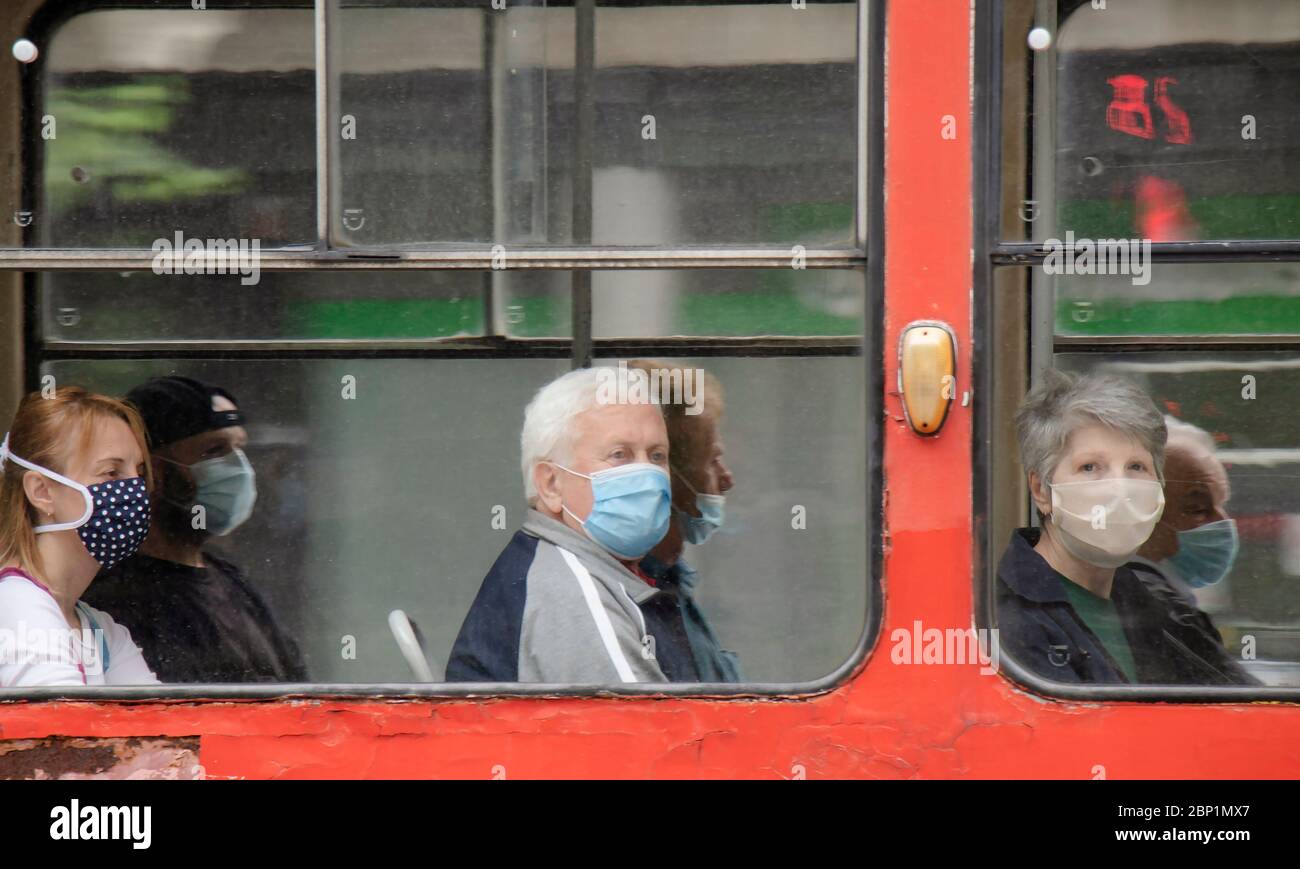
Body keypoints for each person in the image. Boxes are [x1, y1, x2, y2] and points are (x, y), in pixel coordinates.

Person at [996, 369, 1254, 685]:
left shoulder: (1160, 605)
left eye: (1136, 467)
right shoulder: (1005, 617)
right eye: (1090, 467)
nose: (1119, 489)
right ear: (1041, 491)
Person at [446, 364, 701, 683]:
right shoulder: (573, 591)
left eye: (657, 456)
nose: (647, 475)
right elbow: (650, 727)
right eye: (619, 454)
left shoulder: (602, 570)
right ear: (551, 484)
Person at [83, 376, 308, 683]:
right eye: (214, 451)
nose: (240, 468)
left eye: (239, 448)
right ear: (152, 471)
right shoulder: (118, 597)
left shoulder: (229, 579)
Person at [0, 386, 159, 687]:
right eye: (111, 473)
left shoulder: (101, 630)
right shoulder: (16, 606)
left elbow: (160, 722)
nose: (136, 489)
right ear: (42, 492)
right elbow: (64, 727)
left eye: (138, 472)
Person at [627, 359, 742, 682]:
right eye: (712, 461)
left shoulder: (671, 582)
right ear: (665, 477)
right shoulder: (629, 601)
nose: (727, 479)